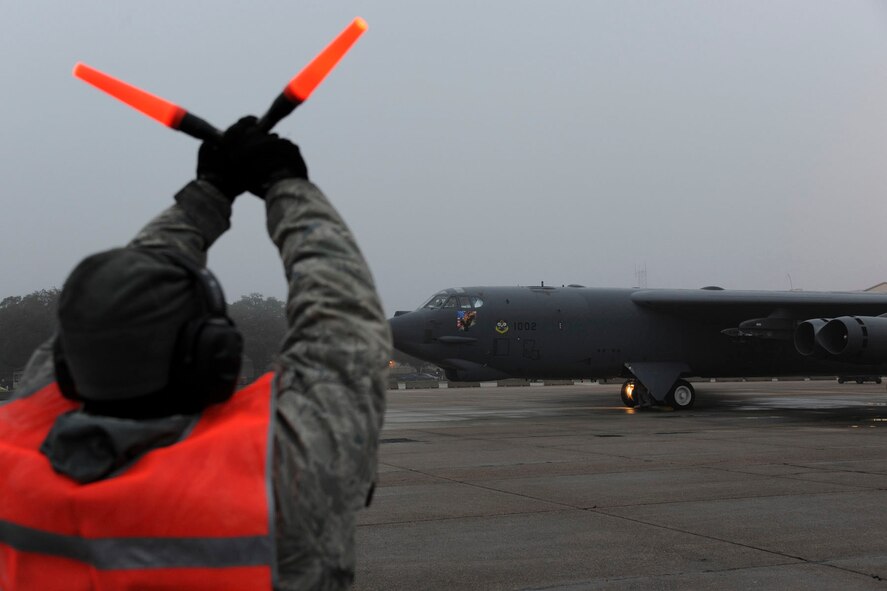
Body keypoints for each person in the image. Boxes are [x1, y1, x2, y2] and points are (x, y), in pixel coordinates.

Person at [0, 117, 391, 590]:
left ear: (65, 363)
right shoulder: (280, 469)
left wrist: (208, 193)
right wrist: (284, 183)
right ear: (210, 354)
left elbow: (108, 304)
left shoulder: (16, 449)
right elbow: (343, 320)